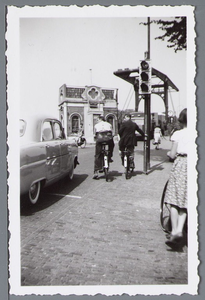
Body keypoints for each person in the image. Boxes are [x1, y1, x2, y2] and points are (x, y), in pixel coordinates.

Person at [164, 108, 189, 249]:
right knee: (186, 199)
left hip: (181, 165)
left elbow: (172, 155)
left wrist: (169, 153)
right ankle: (180, 229)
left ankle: (174, 231)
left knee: (174, 199)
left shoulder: (178, 134)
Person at [93, 115, 115, 179]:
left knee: (97, 154)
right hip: (108, 139)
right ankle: (110, 156)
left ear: (100, 119)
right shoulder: (109, 124)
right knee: (112, 145)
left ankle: (96, 171)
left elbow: (95, 134)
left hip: (100, 140)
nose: (97, 121)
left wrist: (95, 137)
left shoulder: (96, 125)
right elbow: (112, 133)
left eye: (97, 120)